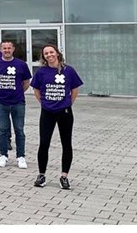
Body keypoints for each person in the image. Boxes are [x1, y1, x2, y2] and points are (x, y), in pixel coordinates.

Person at [31, 44, 84, 190]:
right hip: (47, 112)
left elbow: (74, 89)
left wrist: (67, 104)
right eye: (46, 53)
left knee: (66, 144)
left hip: (65, 112)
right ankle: (41, 175)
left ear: (57, 53)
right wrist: (44, 102)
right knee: (44, 143)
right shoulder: (41, 72)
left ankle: (64, 176)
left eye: (51, 52)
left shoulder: (69, 70)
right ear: (44, 57)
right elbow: (36, 89)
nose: (49, 55)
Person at [0, 39, 32, 170]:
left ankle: (21, 156)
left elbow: (26, 83)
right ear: (0, 49)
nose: (6, 50)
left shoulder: (21, 64)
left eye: (9, 48)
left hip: (18, 102)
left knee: (19, 130)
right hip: (1, 102)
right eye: (4, 48)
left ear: (13, 49)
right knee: (2, 130)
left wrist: (16, 92)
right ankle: (3, 155)